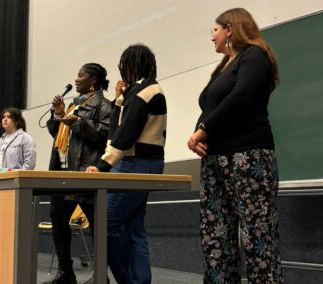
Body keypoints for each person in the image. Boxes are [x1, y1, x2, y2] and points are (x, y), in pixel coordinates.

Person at [187, 8, 283, 283]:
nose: (212, 37)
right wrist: (198, 134)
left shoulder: (255, 54)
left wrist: (204, 129)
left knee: (257, 234)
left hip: (249, 157)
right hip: (216, 161)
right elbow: (210, 106)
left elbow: (241, 96)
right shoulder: (222, 67)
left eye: (214, 30)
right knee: (215, 236)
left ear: (230, 28)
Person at [86, 44, 167, 284]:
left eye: (124, 64)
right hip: (137, 163)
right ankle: (139, 281)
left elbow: (127, 133)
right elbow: (117, 130)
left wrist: (103, 164)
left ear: (132, 64)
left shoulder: (146, 91)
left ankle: (128, 280)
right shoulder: (139, 91)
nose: (121, 69)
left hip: (137, 164)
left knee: (105, 224)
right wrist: (119, 101)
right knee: (134, 228)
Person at [43, 63, 111, 284]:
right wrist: (59, 115)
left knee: (97, 228)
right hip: (62, 173)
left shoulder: (104, 105)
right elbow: (58, 135)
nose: (77, 78)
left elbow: (105, 136)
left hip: (86, 174)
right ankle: (66, 273)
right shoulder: (74, 104)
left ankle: (101, 276)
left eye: (81, 75)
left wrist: (79, 123)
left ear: (93, 80)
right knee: (58, 223)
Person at [0, 107, 36, 173]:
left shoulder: (26, 138)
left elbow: (29, 166)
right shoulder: (1, 140)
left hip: (14, 179)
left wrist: (15, 175)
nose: (5, 119)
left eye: (9, 117)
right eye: (3, 117)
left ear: (17, 121)